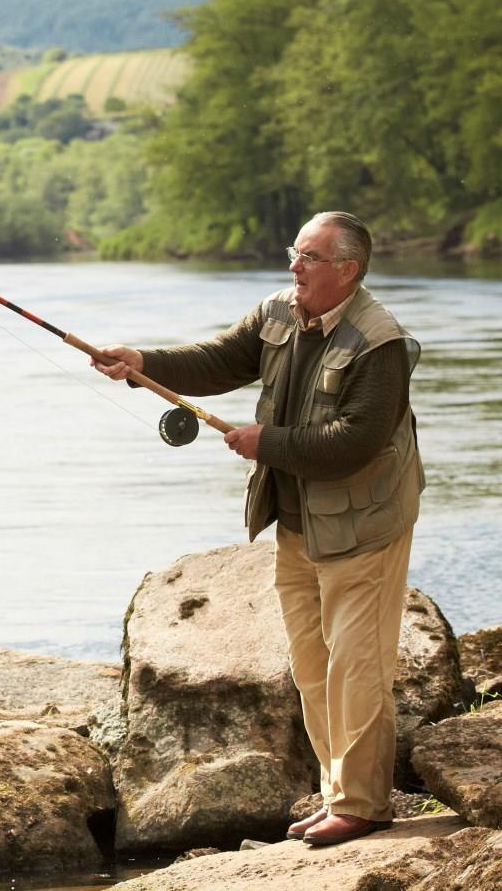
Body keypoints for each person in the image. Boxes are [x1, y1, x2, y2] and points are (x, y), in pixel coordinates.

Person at [90, 211, 423, 849]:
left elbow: (357, 442)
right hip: (297, 522)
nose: (293, 266)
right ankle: (338, 793)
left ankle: (363, 804)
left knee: (357, 666)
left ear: (348, 270)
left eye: (309, 258)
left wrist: (265, 441)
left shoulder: (380, 342)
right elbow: (219, 361)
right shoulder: (277, 311)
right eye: (294, 252)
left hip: (365, 528)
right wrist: (140, 362)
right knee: (311, 665)